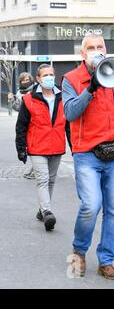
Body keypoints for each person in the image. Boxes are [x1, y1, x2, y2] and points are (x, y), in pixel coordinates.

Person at [62, 33, 114, 280]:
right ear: (82, 54)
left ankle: (106, 261)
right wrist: (91, 88)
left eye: (100, 47)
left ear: (106, 49)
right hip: (87, 155)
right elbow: (71, 113)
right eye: (91, 48)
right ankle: (79, 250)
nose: (96, 51)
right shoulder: (71, 80)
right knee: (90, 206)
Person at [15, 64, 70, 231]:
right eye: (45, 75)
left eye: (51, 74)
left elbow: (69, 124)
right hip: (37, 146)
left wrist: (74, 146)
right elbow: (21, 126)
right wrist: (21, 148)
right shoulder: (29, 99)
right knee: (43, 179)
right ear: (38, 79)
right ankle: (47, 211)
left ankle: (42, 209)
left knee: (51, 180)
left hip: (57, 145)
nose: (49, 78)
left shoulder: (63, 96)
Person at [15, 72, 36, 179]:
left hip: (34, 122)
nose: (25, 82)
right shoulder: (19, 92)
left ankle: (34, 170)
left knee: (34, 146)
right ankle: (34, 169)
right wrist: (11, 100)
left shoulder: (36, 90)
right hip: (24, 122)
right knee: (28, 145)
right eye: (23, 80)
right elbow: (17, 108)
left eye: (27, 80)